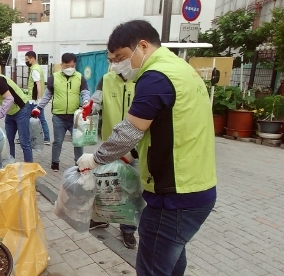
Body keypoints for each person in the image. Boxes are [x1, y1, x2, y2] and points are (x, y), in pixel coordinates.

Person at [76, 20, 217, 276]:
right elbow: (170, 129)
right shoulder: (179, 68)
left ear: (142, 46)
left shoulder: (156, 77)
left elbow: (130, 130)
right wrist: (131, 155)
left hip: (174, 196)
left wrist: (95, 159)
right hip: (196, 187)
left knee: (153, 267)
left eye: (120, 57)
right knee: (172, 258)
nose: (116, 65)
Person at [86, 70, 138, 249]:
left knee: (130, 189)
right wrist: (89, 107)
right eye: (113, 59)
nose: (115, 62)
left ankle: (128, 228)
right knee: (105, 185)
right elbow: (97, 101)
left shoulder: (142, 79)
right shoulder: (106, 79)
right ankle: (102, 218)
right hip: (111, 146)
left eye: (118, 57)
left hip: (136, 147)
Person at [32, 53, 90, 171]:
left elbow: (85, 92)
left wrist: (86, 102)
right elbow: (47, 95)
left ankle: (78, 163)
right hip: (59, 117)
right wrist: (39, 107)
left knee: (78, 142)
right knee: (58, 141)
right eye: (67, 65)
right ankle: (55, 162)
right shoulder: (54, 77)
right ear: (62, 64)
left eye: (72, 66)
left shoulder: (79, 77)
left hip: (75, 117)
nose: (70, 68)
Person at [23, 51, 50, 145]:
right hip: (36, 99)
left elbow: (38, 86)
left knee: (27, 118)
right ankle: (46, 138)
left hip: (33, 100)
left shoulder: (34, 70)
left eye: (27, 59)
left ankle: (26, 137)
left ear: (32, 58)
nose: (26, 61)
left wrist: (38, 102)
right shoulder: (38, 68)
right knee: (41, 118)